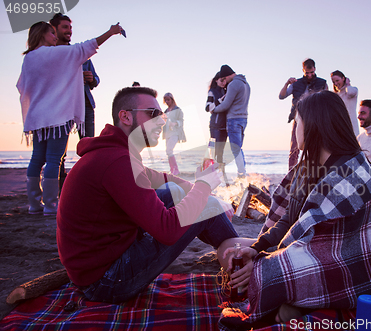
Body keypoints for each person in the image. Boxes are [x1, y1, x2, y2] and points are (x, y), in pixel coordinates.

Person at [217, 91, 371, 330]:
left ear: (313, 125)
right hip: (305, 251)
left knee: (261, 274)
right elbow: (288, 221)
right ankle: (301, 303)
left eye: (297, 122)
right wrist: (257, 249)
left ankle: (297, 303)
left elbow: (319, 244)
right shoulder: (307, 168)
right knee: (229, 249)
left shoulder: (351, 172)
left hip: (343, 260)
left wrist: (263, 265)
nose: (294, 129)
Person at [57, 86, 239, 303]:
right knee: (204, 204)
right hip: (106, 281)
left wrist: (198, 189)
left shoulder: (114, 153)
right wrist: (204, 187)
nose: (162, 121)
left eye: (162, 114)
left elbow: (160, 178)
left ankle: (233, 249)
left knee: (179, 192)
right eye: (153, 114)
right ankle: (239, 256)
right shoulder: (117, 161)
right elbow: (167, 231)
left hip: (95, 267)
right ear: (125, 116)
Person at [17, 21, 123, 215]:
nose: (55, 36)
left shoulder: (29, 58)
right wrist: (110, 32)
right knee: (53, 160)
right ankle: (50, 206)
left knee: (37, 158)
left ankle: (34, 204)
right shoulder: (57, 53)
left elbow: (21, 86)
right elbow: (87, 47)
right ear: (42, 34)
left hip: (37, 117)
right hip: (58, 116)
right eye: (51, 33)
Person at [50, 13, 102, 192]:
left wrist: (90, 79)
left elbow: (96, 80)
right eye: (65, 27)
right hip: (61, 107)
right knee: (58, 154)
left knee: (89, 148)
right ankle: (60, 190)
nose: (69, 31)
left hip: (85, 105)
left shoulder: (81, 53)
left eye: (70, 27)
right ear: (54, 29)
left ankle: (89, 189)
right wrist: (75, 77)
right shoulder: (50, 54)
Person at [279, 58, 328, 170]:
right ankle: (291, 177)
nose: (310, 75)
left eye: (312, 72)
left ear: (315, 69)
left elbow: (326, 101)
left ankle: (313, 172)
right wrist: (287, 83)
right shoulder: (296, 83)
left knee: (316, 148)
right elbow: (281, 96)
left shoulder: (322, 83)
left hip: (315, 120)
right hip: (298, 118)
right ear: (303, 70)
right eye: (307, 73)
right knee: (294, 150)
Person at [212, 65, 250, 179]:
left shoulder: (234, 84)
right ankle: (242, 172)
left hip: (233, 119)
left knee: (235, 148)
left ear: (227, 76)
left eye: (224, 79)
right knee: (239, 148)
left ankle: (241, 174)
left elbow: (226, 104)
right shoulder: (246, 84)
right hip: (244, 119)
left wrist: (214, 110)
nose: (224, 82)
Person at [206, 72, 229, 183]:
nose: (223, 82)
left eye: (225, 80)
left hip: (225, 126)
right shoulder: (212, 91)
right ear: (216, 80)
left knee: (220, 154)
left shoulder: (226, 90)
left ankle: (220, 179)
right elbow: (207, 107)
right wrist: (221, 100)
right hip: (215, 126)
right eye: (221, 80)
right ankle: (212, 179)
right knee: (213, 152)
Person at [162, 92, 186, 175]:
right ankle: (172, 170)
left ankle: (175, 170)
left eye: (168, 100)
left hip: (175, 133)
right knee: (168, 151)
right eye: (165, 100)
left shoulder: (177, 109)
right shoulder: (165, 111)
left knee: (169, 150)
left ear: (172, 99)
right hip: (167, 133)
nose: (167, 101)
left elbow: (181, 121)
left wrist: (174, 123)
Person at [331, 70, 359, 136]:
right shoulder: (335, 95)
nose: (335, 83)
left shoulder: (353, 90)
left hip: (351, 125)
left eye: (337, 80)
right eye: (333, 82)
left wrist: (348, 84)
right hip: (339, 126)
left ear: (343, 78)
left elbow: (350, 92)